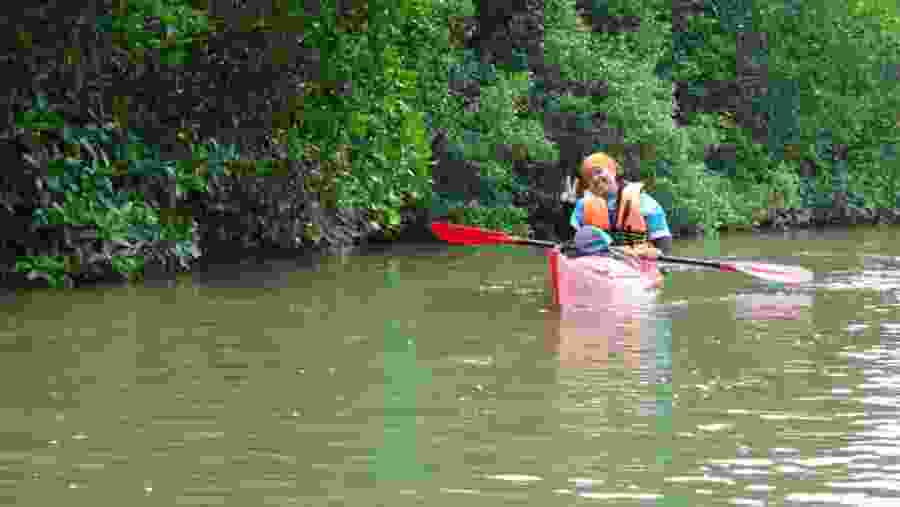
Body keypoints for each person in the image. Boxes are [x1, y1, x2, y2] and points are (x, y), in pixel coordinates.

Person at [569, 152, 674, 260]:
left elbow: (663, 245)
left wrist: (659, 255)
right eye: (589, 177)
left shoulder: (643, 201)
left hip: (637, 263)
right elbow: (571, 241)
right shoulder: (582, 206)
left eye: (598, 171)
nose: (595, 178)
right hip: (597, 264)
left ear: (613, 170)